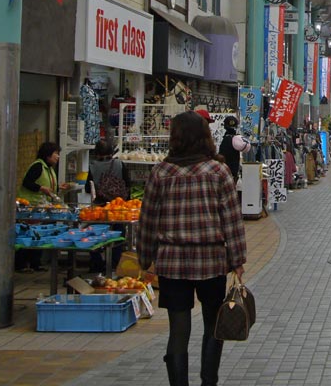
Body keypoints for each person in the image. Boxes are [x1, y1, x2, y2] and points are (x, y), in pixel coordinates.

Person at [138, 110, 247, 386]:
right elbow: (231, 219)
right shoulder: (218, 170)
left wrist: (144, 257)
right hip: (211, 261)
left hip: (172, 262)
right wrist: (237, 259)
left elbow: (148, 219)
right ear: (205, 137)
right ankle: (208, 381)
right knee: (213, 323)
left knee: (178, 329)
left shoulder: (161, 172)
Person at [17, 142, 68, 272]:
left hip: (40, 208)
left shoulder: (49, 168)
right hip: (30, 207)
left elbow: (47, 185)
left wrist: (58, 188)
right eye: (56, 153)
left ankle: (35, 263)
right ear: (48, 155)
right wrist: (40, 188)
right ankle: (21, 264)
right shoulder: (38, 166)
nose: (58, 157)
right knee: (28, 235)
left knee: (39, 234)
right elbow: (27, 183)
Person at [86, 139, 131, 273]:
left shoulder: (93, 166)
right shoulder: (120, 164)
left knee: (93, 236)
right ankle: (115, 264)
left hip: (99, 208)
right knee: (118, 236)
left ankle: (97, 264)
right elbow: (127, 184)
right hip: (118, 207)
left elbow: (88, 188)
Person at [217, 116, 242, 182]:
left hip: (226, 172)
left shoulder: (226, 139)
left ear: (225, 126)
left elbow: (222, 155)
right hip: (234, 171)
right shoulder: (237, 139)